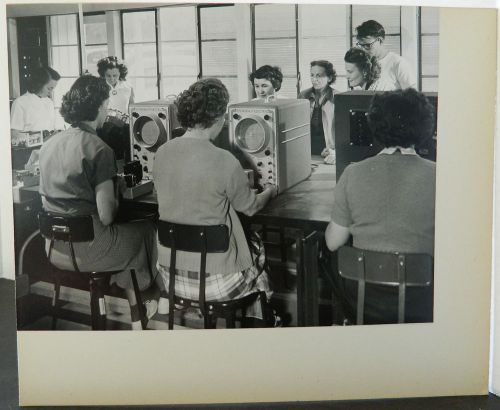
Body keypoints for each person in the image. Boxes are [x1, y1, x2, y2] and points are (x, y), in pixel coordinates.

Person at [153, 78, 279, 327]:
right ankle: (265, 320)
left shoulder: (162, 153)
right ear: (220, 118)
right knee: (258, 247)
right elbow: (250, 207)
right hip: (219, 282)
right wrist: (271, 191)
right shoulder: (224, 159)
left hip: (171, 276)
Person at [38, 75, 158, 330]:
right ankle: (144, 304)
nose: (106, 111)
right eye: (105, 105)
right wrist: (115, 188)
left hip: (55, 249)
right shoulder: (99, 148)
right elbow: (107, 216)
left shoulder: (48, 145)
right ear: (98, 107)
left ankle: (138, 312)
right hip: (89, 250)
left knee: (129, 242)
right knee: (145, 230)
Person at [324, 88, 435, 324]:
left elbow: (332, 242)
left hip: (364, 303)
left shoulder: (352, 174)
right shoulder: (441, 176)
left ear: (375, 124)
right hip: (426, 304)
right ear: (425, 127)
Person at [10, 66, 61, 168]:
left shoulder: (49, 102)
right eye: (49, 88)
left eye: (53, 89)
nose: (51, 92)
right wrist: (39, 137)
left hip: (48, 150)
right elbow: (14, 135)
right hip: (28, 154)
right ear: (39, 84)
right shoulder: (20, 103)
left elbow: (50, 127)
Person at [355, 20, 417, 90]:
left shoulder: (398, 63)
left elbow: (413, 98)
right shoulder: (361, 64)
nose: (363, 50)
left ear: (380, 40)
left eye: (367, 45)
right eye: (361, 45)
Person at [96, 56, 134, 163]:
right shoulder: (99, 87)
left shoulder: (128, 87)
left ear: (120, 74)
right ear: (103, 74)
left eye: (115, 75)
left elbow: (132, 107)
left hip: (124, 127)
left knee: (125, 154)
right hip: (105, 127)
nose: (112, 79)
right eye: (108, 76)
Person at [298, 60, 337, 165]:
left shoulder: (338, 98)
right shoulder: (303, 96)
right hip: (306, 151)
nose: (314, 79)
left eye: (319, 76)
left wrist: (334, 150)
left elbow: (343, 131)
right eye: (312, 75)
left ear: (329, 78)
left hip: (328, 152)